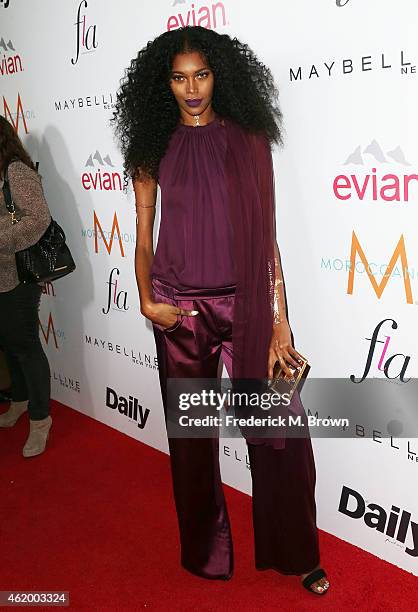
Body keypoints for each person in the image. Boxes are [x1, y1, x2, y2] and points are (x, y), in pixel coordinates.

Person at [111, 26, 330, 595]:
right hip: (179, 312)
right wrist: (146, 299)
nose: (191, 89)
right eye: (180, 77)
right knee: (191, 442)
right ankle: (205, 552)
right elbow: (141, 229)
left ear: (219, 77)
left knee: (281, 433)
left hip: (247, 308)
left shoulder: (248, 139)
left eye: (201, 75)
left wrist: (280, 321)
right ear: (165, 83)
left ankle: (297, 551)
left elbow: (267, 238)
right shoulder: (152, 143)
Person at [0, 115, 52, 458]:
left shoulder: (16, 171)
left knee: (26, 345)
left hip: (18, 274)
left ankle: (40, 420)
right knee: (7, 342)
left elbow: (39, 217)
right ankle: (18, 400)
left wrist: (1, 238)